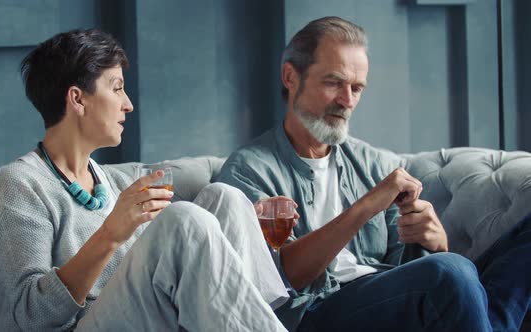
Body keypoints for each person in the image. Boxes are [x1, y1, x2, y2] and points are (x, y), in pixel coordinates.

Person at [218, 16, 531, 331]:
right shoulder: (248, 170)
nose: (348, 100)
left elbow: (409, 274)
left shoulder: (373, 162)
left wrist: (435, 245)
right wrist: (365, 207)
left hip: (383, 300)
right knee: (451, 272)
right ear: (291, 76)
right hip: (314, 313)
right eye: (334, 83)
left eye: (356, 88)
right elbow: (279, 279)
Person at [0, 28, 289, 331]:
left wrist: (243, 221)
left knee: (227, 198)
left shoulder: (102, 179)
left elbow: (158, 257)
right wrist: (110, 233)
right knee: (184, 218)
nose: (128, 103)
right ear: (77, 99)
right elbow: (30, 316)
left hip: (140, 316)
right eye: (116, 88)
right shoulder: (19, 184)